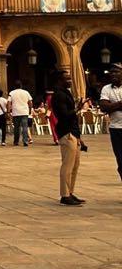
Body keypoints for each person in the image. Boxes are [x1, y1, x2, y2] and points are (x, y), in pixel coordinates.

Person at [51, 70, 84, 205]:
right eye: (67, 78)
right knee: (67, 165)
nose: (70, 80)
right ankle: (64, 195)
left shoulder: (65, 93)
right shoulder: (59, 95)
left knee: (75, 165)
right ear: (60, 80)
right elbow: (64, 115)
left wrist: (79, 136)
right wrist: (77, 109)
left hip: (73, 132)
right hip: (66, 132)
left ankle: (70, 192)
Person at [99, 63, 122, 185]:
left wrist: (112, 106)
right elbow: (103, 107)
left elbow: (108, 106)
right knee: (120, 160)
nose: (113, 74)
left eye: (117, 72)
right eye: (112, 72)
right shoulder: (106, 89)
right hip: (116, 129)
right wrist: (120, 104)